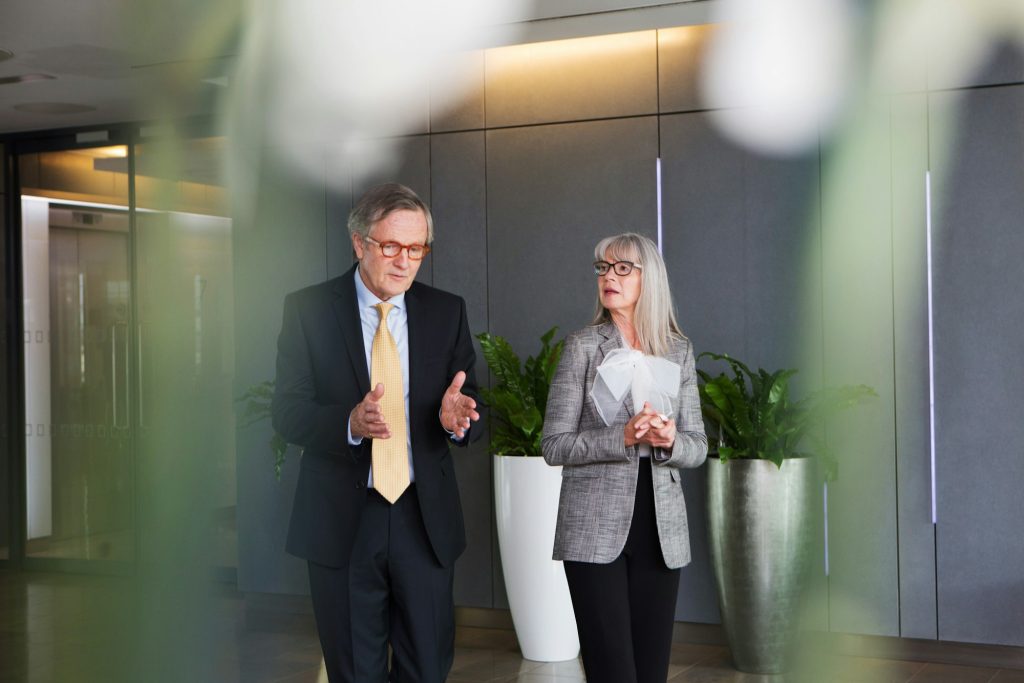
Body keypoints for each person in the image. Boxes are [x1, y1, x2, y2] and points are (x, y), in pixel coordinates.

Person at [271, 183, 480, 683]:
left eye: (416, 249)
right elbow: (287, 410)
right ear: (359, 242)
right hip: (343, 521)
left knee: (427, 669)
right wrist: (347, 423)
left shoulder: (446, 311)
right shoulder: (310, 310)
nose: (404, 261)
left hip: (422, 520)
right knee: (354, 672)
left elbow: (468, 402)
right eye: (391, 246)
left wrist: (458, 421)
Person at [542, 232, 708, 683]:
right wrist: (623, 438)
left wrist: (670, 438)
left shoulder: (679, 350)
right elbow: (554, 445)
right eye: (602, 268)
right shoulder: (582, 346)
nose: (607, 277)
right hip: (594, 533)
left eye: (621, 268)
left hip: (661, 533)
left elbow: (698, 447)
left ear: (648, 277)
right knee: (613, 671)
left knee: (651, 672)